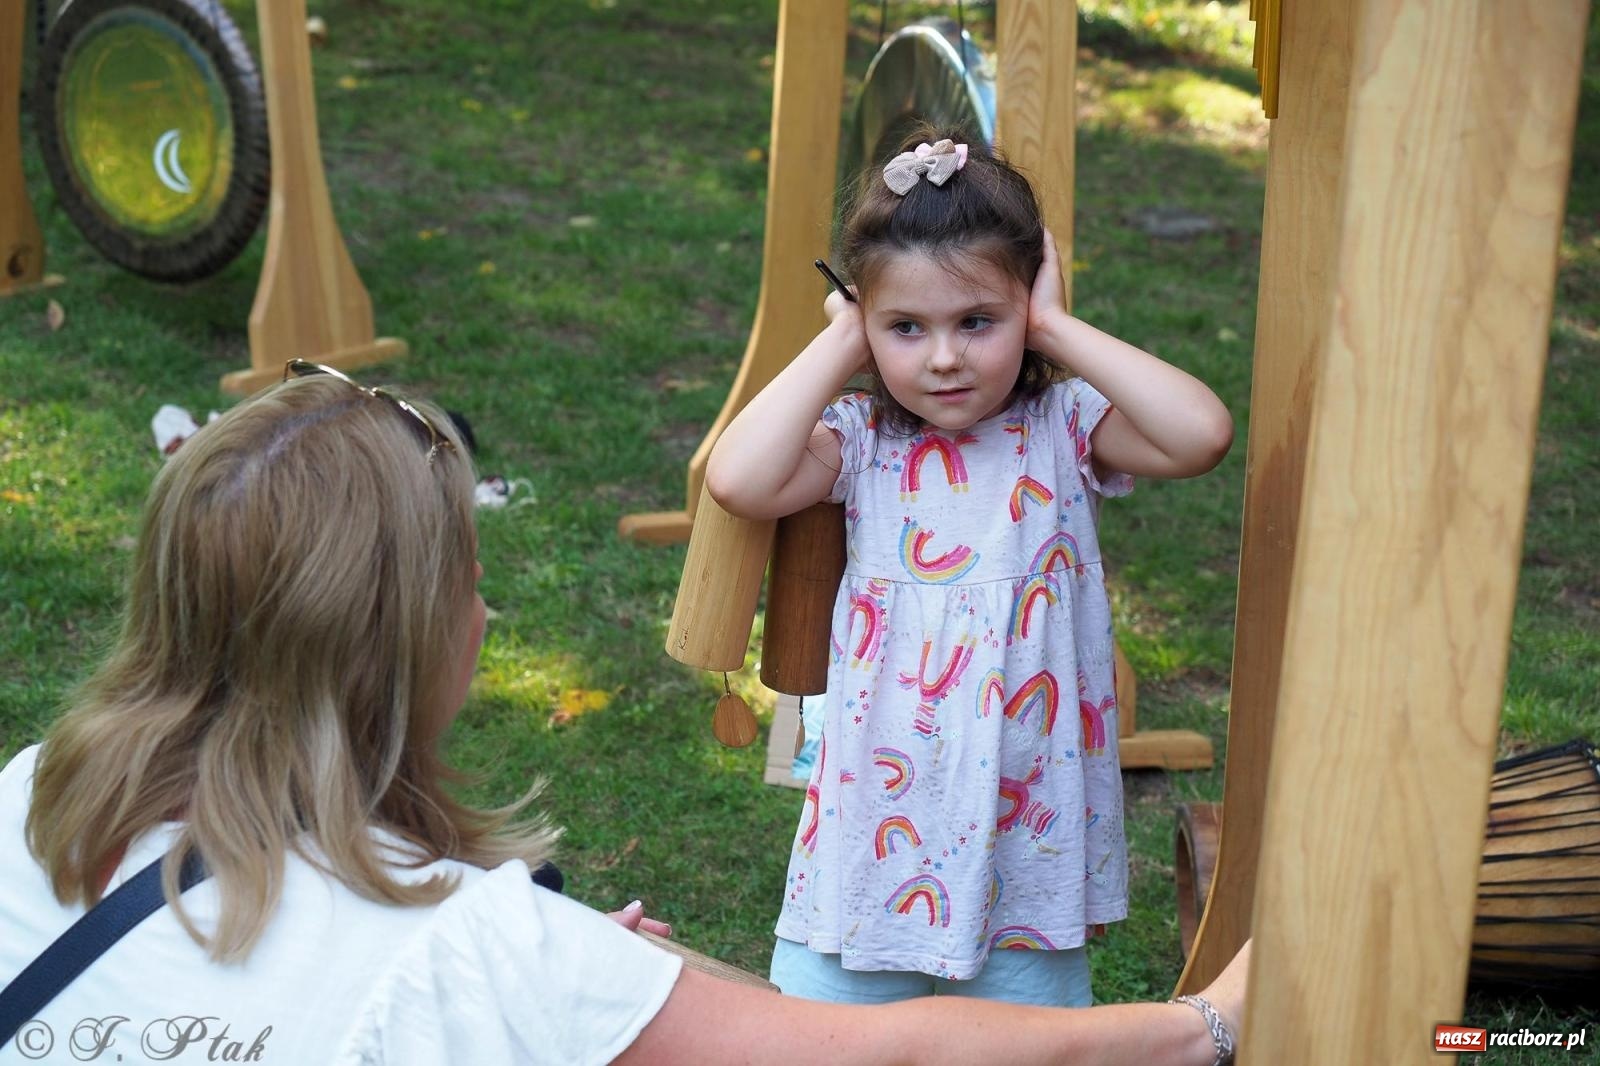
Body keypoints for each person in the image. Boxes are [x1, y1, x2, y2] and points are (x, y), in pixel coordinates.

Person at [2, 362, 1247, 1065]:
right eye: (468, 579)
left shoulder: (24, 798)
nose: (484, 615)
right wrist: (1206, 1023)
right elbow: (885, 1061)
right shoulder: (472, 956)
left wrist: (576, 984)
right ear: (412, 637)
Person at [705, 129, 1234, 1008]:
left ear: (1026, 306)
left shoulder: (1065, 425)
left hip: (1026, 840)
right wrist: (844, 342)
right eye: (906, 327)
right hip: (876, 844)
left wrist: (1057, 327)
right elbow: (737, 478)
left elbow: (1201, 434)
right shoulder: (863, 439)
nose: (944, 357)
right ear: (866, 323)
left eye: (978, 322)